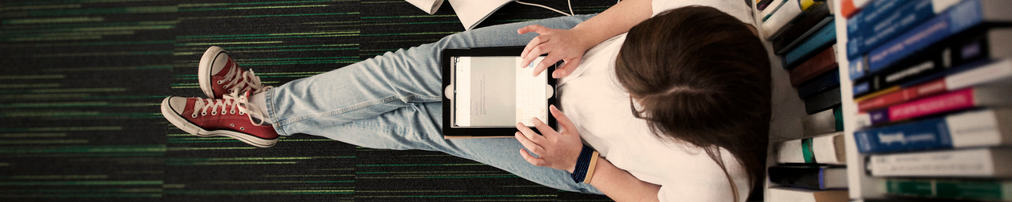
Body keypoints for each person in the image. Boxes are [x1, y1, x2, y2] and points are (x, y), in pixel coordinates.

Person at [158, 0, 771, 201]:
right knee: (417, 67)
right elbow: (645, 5)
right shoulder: (722, 11)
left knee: (426, 125)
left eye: (635, 98)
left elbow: (649, 198)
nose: (623, 87)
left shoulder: (719, 180)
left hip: (577, 148)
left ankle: (266, 113)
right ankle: (269, 114)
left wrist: (583, 164)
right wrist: (584, 37)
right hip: (574, 50)